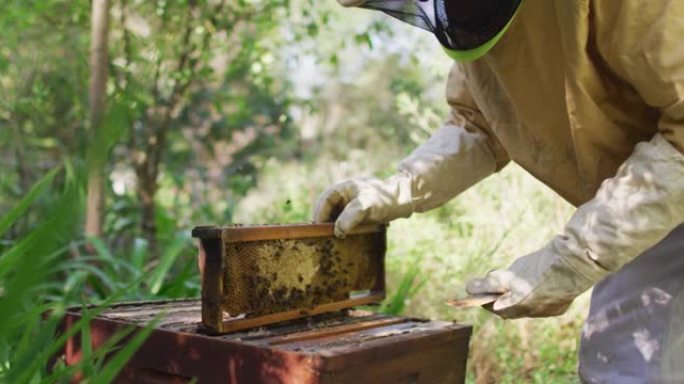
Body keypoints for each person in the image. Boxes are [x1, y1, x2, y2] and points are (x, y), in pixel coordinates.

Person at [312, 0, 684, 382]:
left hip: (668, 189)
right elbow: (479, 124)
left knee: (627, 370)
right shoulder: (469, 18)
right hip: (649, 207)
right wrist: (399, 189)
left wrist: (574, 256)